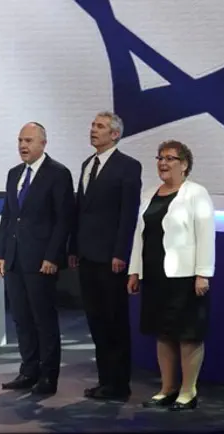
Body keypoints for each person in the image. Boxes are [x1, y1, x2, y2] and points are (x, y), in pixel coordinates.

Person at [127, 140, 214, 411]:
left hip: (185, 277)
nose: (163, 163)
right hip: (154, 276)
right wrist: (134, 271)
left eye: (170, 158)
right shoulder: (151, 193)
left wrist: (203, 273)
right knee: (162, 334)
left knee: (188, 335)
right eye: (160, 158)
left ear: (184, 164)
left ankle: (188, 392)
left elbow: (206, 235)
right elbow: (139, 236)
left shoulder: (196, 193)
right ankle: (167, 388)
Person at [0, 122, 74, 395]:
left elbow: (63, 220)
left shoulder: (58, 174)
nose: (23, 146)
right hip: (15, 259)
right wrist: (1, 253)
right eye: (20, 140)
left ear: (43, 143)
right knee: (21, 319)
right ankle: (28, 371)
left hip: (41, 261)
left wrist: (53, 256)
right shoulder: (14, 173)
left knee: (44, 319)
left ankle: (48, 376)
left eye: (28, 140)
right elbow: (8, 217)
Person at [68, 111, 142, 400]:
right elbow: (80, 212)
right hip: (87, 256)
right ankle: (105, 381)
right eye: (92, 125)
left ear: (115, 134)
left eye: (99, 126)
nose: (93, 130)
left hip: (111, 258)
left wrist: (120, 252)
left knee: (115, 321)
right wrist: (73, 248)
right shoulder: (88, 164)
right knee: (96, 320)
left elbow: (128, 213)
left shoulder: (128, 166)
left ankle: (119, 384)